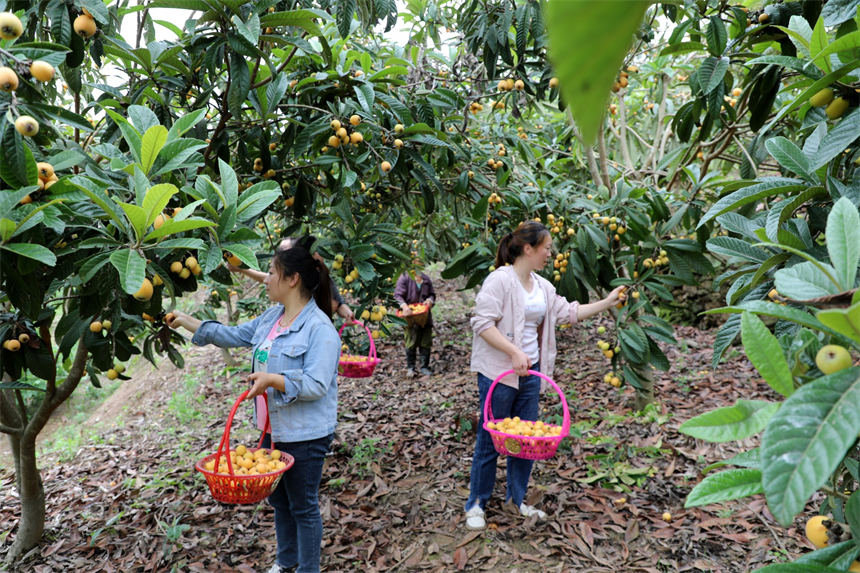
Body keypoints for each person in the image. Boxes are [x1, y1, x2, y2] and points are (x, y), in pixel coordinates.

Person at [167, 237, 341, 573]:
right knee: (279, 500)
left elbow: (317, 384)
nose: (267, 279)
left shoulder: (320, 329)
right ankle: (285, 562)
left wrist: (273, 380)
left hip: (305, 432)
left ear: (292, 279)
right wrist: (186, 320)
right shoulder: (272, 318)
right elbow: (232, 335)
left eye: (273, 272)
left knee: (303, 506)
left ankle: (308, 569)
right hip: (270, 429)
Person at [464, 221, 626, 531]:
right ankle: (476, 503)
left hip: (531, 373)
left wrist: (608, 301)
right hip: (498, 373)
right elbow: (482, 324)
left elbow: (569, 313)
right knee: (490, 438)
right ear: (528, 248)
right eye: (547, 248)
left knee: (526, 440)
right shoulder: (499, 281)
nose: (551, 254)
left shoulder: (542, 286)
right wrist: (513, 351)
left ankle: (517, 500)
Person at [227, 237, 355, 323]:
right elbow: (268, 278)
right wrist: (243, 269)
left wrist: (347, 313)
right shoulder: (294, 277)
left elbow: (337, 303)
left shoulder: (321, 276)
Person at [393, 259, 436, 377]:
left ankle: (424, 367)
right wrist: (404, 306)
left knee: (425, 341)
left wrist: (430, 301)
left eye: (420, 265)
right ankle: (411, 367)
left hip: (424, 316)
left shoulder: (426, 279)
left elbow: (432, 294)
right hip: (409, 317)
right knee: (410, 341)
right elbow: (397, 295)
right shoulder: (405, 278)